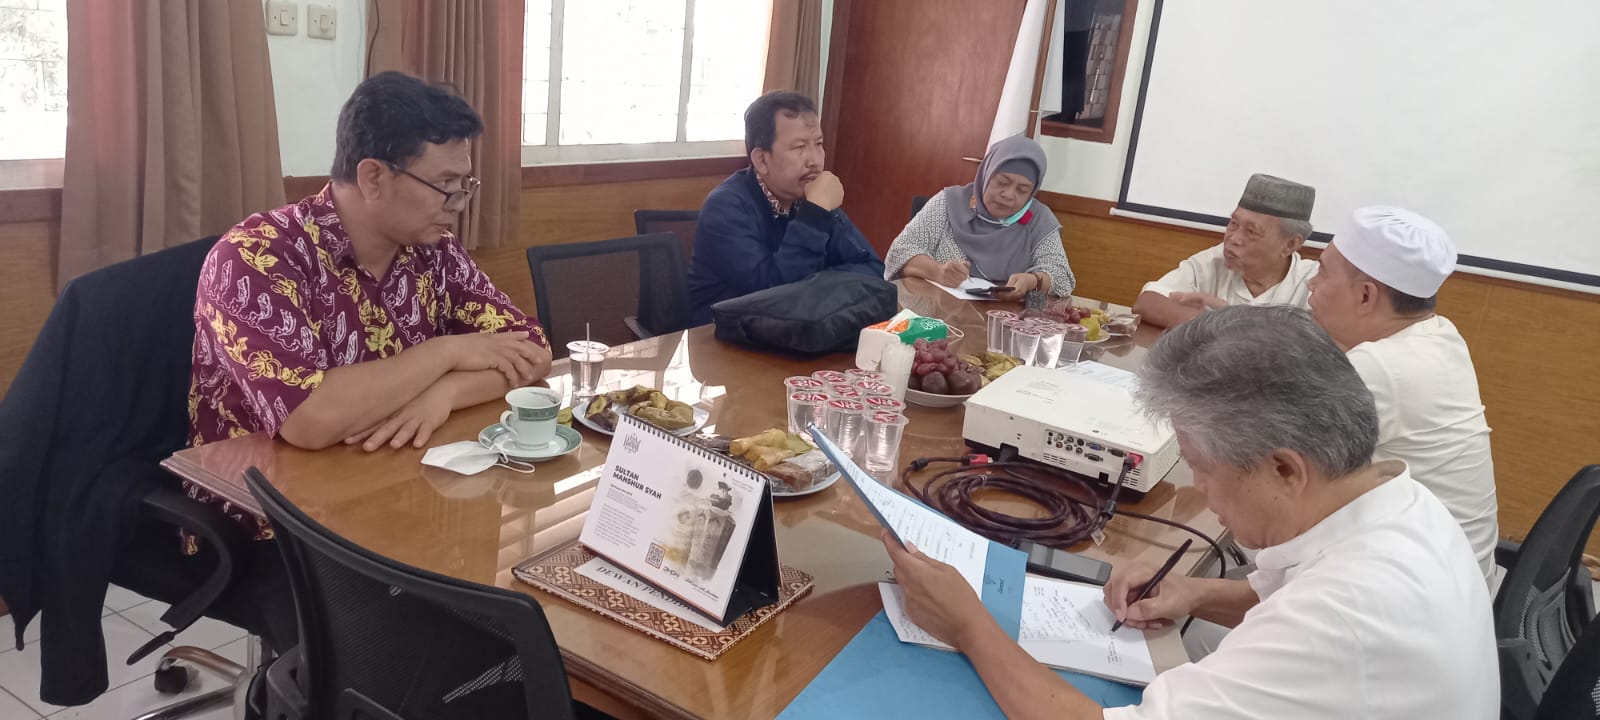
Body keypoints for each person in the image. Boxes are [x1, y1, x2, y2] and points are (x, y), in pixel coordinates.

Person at [883, 305, 1497, 719]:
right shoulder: (1400, 502)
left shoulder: (1343, 619)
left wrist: (968, 625)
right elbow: (1296, 594)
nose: (1197, 485)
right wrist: (1197, 594)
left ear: (1285, 470)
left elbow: (1318, 621)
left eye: (1201, 465)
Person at [186, 72, 552, 560]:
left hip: (393, 493)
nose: (459, 205)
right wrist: (447, 352)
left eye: (463, 185)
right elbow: (310, 419)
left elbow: (532, 350)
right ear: (373, 177)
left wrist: (445, 394)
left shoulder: (433, 251)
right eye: (444, 185)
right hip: (270, 526)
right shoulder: (257, 258)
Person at [1309, 206, 1499, 585]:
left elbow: (1270, 460)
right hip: (1462, 576)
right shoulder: (1441, 334)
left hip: (1417, 588)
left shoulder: (1377, 367)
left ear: (1366, 296)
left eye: (1323, 272)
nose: (1311, 284)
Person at [687, 91, 885, 324]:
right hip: (719, 338)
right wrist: (815, 214)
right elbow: (776, 295)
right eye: (799, 147)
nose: (815, 160)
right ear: (762, 160)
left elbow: (873, 270)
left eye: (819, 144)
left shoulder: (812, 197)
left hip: (798, 332)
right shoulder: (725, 208)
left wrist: (815, 284)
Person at [884, 134, 1076, 302]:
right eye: (1002, 182)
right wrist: (938, 271)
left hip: (1004, 322)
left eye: (1022, 190)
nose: (1009, 194)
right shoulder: (949, 203)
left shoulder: (1038, 219)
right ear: (986, 173)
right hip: (935, 315)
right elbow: (900, 251)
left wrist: (1033, 281)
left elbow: (1062, 276)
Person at [1133, 174, 1319, 327]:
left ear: (1290, 244)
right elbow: (1148, 302)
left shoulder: (1314, 282)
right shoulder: (1215, 260)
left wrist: (1231, 324)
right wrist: (1214, 322)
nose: (1233, 238)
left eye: (1251, 231)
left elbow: (1324, 346)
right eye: (1233, 224)